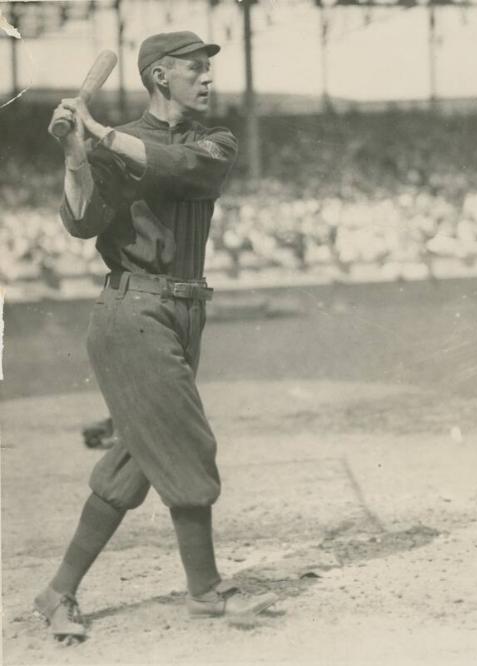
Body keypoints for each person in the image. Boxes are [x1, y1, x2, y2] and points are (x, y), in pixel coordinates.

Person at [34, 31, 278, 642]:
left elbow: (183, 169)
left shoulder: (211, 141)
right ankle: (206, 593)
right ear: (161, 77)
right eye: (195, 69)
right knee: (188, 445)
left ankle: (57, 591)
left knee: (132, 464)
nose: (208, 79)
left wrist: (99, 132)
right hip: (133, 313)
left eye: (207, 70)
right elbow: (83, 222)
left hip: (183, 314)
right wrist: (75, 153)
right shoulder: (115, 150)